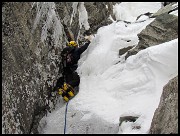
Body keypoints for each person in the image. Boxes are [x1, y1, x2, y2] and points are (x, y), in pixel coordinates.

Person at [56, 35, 94, 102]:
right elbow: (83, 48)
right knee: (76, 80)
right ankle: (68, 87)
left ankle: (65, 93)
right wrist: (89, 42)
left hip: (67, 72)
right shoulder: (76, 51)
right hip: (74, 68)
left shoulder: (66, 56)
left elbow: (64, 66)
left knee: (69, 83)